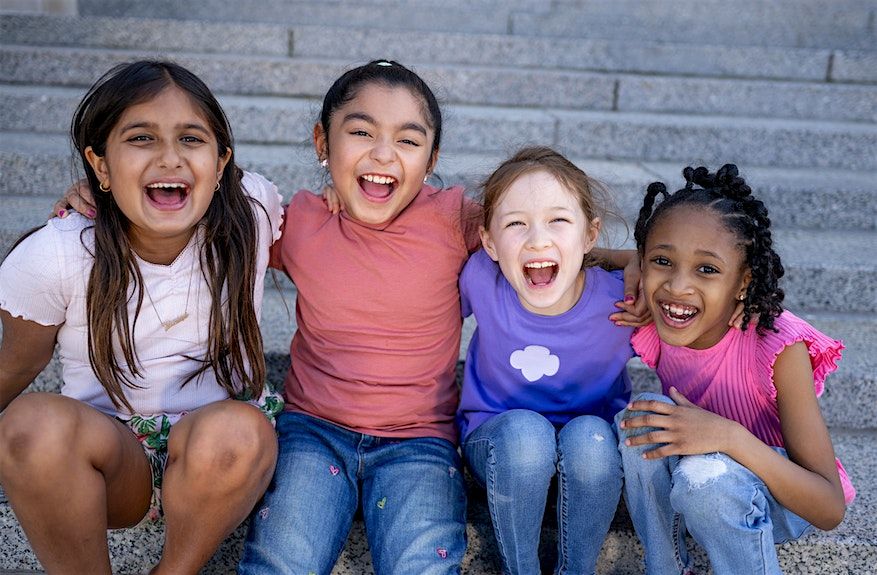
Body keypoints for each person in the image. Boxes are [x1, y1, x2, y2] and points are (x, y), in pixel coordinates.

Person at [0, 60, 283, 575]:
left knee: (240, 430)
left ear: (222, 164)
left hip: (218, 460)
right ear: (100, 166)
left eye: (191, 139)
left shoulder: (252, 210)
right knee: (27, 426)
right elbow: (14, 367)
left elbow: (342, 241)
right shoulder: (56, 255)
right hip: (110, 462)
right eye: (141, 138)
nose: (169, 158)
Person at [615, 164, 855, 575]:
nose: (677, 286)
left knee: (704, 481)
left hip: (780, 494)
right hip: (699, 478)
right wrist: (631, 265)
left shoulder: (777, 345)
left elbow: (828, 507)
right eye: (661, 261)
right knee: (640, 417)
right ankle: (668, 567)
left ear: (744, 283)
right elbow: (583, 258)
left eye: (707, 270)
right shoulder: (662, 312)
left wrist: (729, 438)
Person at [457, 146, 635, 574]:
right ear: (489, 242)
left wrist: (639, 261)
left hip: (592, 461)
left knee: (592, 436)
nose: (538, 239)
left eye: (558, 220)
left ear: (590, 235)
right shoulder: (481, 277)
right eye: (516, 224)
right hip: (499, 447)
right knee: (525, 433)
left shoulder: (622, 303)